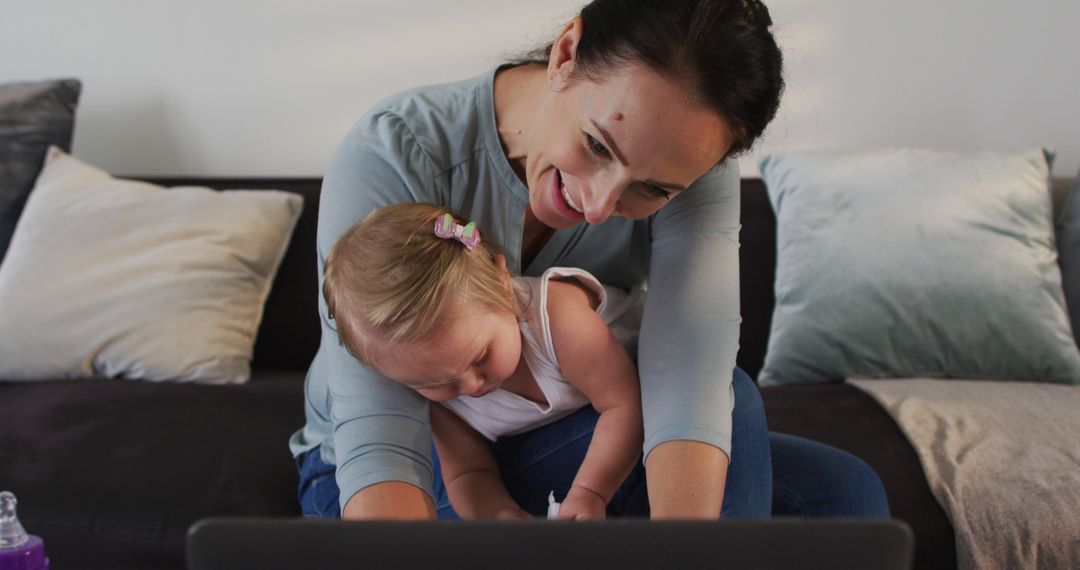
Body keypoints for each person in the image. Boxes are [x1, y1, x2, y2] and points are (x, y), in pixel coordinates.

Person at [289, 0, 890, 520]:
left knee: (842, 492)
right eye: (598, 144)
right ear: (567, 53)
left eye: (652, 190)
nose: (600, 206)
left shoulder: (693, 164)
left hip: (566, 426)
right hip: (413, 451)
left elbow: (690, 373)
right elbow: (382, 431)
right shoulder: (397, 148)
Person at [322, 203, 645, 520]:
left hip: (641, 382)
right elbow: (469, 472)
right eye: (435, 383)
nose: (471, 386)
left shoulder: (557, 319)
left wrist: (591, 491)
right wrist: (499, 515)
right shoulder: (440, 400)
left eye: (480, 357)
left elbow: (623, 405)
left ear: (503, 285)